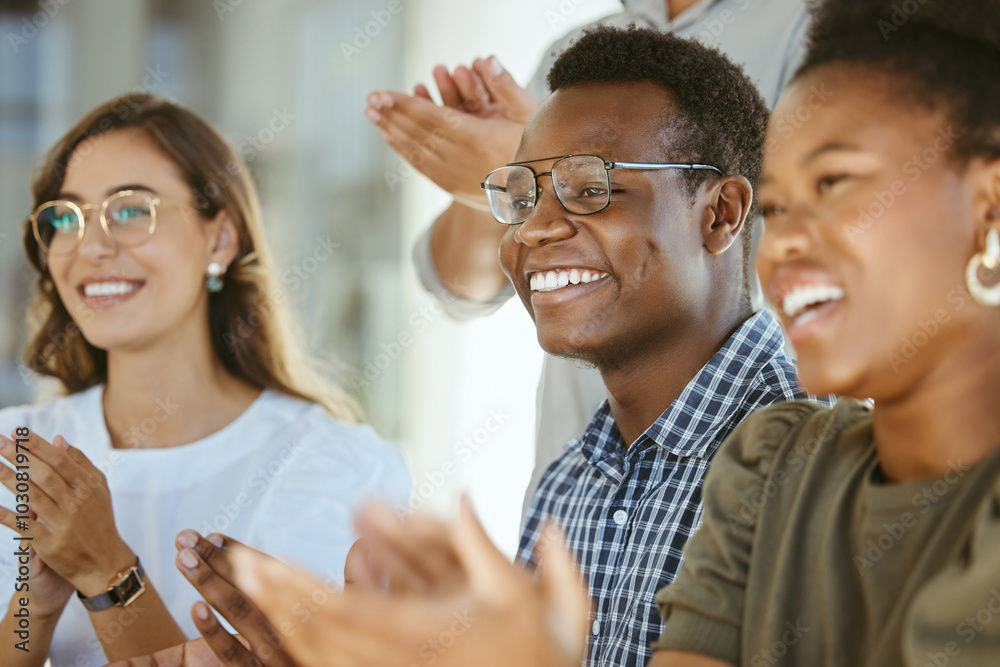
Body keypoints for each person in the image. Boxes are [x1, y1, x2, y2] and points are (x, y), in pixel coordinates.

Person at [0, 93, 410, 666]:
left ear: (220, 238)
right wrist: (32, 614)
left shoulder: (332, 468)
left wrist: (108, 573)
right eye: (66, 218)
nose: (90, 246)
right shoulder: (18, 455)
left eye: (129, 210)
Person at [365, 0, 812, 513]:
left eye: (591, 186)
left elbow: (823, 247)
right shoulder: (565, 480)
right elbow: (465, 282)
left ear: (721, 214)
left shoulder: (818, 30)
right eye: (524, 197)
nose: (537, 228)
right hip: (593, 461)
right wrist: (513, 174)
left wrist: (530, 166)